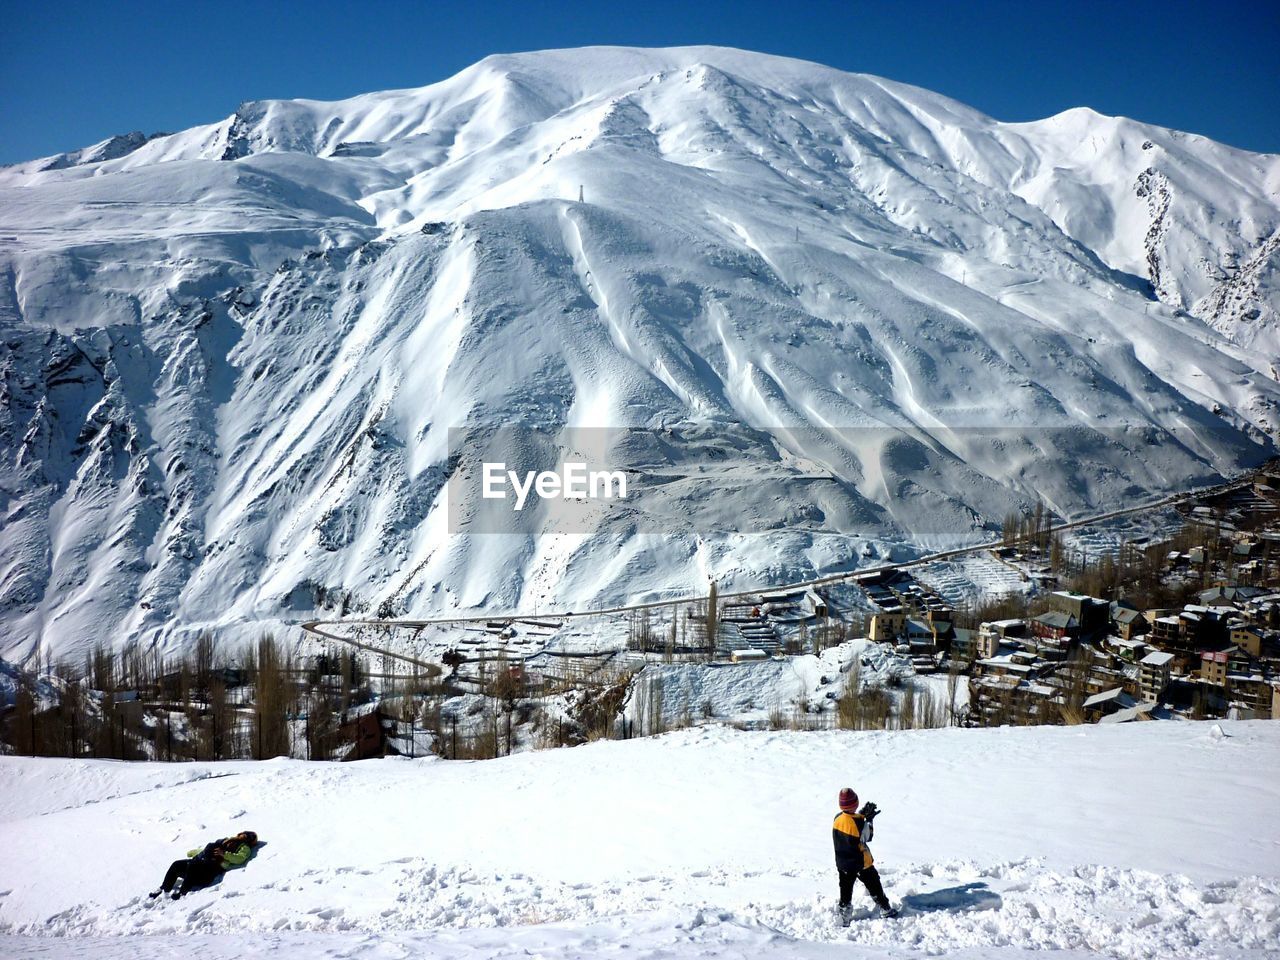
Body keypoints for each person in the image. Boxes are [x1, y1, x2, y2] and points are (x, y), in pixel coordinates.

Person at [832, 788, 897, 923]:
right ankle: (885, 908)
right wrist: (869, 820)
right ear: (855, 803)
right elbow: (868, 836)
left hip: (843, 862)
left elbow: (851, 821)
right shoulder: (860, 823)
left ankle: (844, 914)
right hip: (860, 863)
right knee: (874, 883)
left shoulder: (837, 817)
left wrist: (861, 815)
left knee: (845, 888)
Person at [149, 830, 259, 900]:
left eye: (246, 837)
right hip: (199, 864)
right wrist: (194, 852)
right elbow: (208, 850)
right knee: (177, 864)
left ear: (249, 840)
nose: (243, 836)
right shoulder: (226, 840)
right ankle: (165, 888)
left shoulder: (245, 848)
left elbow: (239, 859)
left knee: (193, 866)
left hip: (207, 873)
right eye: (243, 834)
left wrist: (224, 854)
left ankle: (183, 892)